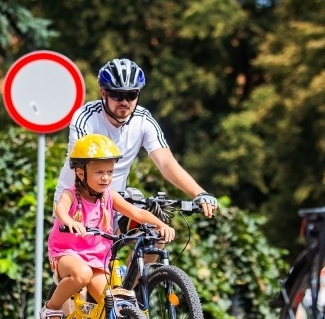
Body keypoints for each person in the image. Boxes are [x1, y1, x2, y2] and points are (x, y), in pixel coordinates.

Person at [43, 134, 176, 319]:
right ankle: (51, 309)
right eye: (99, 172)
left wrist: (161, 224)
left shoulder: (109, 196)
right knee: (82, 274)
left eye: (110, 172)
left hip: (97, 258)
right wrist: (70, 221)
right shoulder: (70, 194)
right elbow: (60, 210)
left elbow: (137, 213)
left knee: (114, 306)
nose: (106, 177)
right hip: (67, 254)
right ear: (80, 172)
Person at [54, 58, 219, 220]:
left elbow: (166, 163)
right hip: (77, 203)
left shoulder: (143, 120)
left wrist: (199, 193)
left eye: (131, 95)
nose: (125, 102)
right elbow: (84, 169)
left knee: (154, 229)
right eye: (118, 95)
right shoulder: (86, 117)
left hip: (116, 205)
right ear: (104, 93)